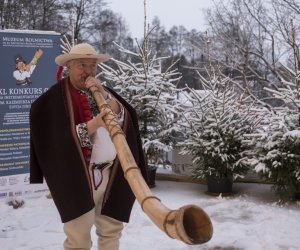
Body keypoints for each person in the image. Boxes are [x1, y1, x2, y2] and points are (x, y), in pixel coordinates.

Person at [29, 43, 147, 250]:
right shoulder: (53, 100)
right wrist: (94, 125)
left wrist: (105, 96)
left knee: (111, 232)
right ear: (69, 67)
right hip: (77, 178)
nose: (88, 71)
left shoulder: (106, 92)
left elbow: (126, 118)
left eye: (92, 66)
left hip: (111, 175)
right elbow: (57, 143)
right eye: (81, 65)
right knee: (79, 237)